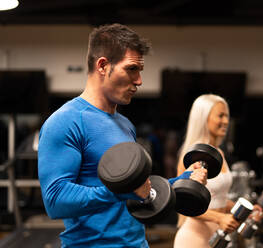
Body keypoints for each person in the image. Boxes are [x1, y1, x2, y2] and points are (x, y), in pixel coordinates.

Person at [38, 23, 207, 248]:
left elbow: (138, 189)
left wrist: (181, 181)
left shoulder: (124, 124)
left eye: (140, 71)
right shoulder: (66, 121)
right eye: (131, 69)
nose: (139, 81)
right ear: (102, 65)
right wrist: (122, 192)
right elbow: (55, 200)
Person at [174, 94, 263, 248]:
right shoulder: (192, 155)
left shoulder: (219, 153)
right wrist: (219, 218)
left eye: (227, 116)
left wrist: (243, 210)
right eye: (220, 116)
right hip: (194, 238)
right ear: (203, 118)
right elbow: (183, 205)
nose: (226, 121)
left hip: (217, 238)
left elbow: (218, 198)